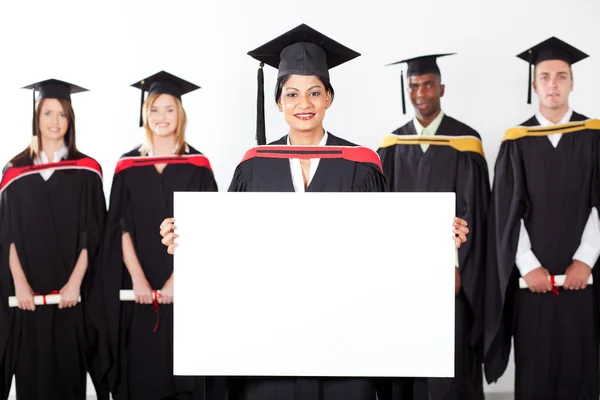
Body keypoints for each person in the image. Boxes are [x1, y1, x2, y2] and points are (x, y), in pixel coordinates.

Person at [159, 24, 470, 400]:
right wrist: (188, 238)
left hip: (346, 341)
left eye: (313, 93)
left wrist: (433, 239)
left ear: (328, 99)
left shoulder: (362, 164)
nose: (303, 104)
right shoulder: (254, 166)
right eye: (291, 94)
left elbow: (385, 246)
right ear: (278, 102)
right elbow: (232, 249)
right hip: (269, 344)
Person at [484, 37, 600, 399]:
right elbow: (506, 211)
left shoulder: (593, 136)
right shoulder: (517, 141)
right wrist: (527, 264)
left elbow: (599, 204)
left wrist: (586, 259)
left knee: (582, 367)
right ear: (534, 84)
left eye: (561, 76)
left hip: (585, 278)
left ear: (572, 82)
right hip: (531, 283)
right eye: (546, 76)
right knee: (535, 368)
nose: (553, 83)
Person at [100, 71, 223, 400]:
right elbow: (119, 227)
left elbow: (209, 230)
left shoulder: (198, 165)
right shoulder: (127, 165)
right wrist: (139, 281)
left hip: (185, 290)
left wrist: (175, 282)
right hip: (138, 293)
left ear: (180, 114)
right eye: (154, 109)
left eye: (169, 109)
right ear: (145, 114)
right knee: (139, 375)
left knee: (183, 377)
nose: (162, 117)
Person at [376, 53, 489, 400]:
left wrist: (454, 267)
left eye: (428, 84)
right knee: (407, 363)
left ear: (442, 88)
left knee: (449, 369)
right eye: (414, 86)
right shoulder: (391, 146)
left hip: (450, 279)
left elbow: (474, 214)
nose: (421, 92)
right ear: (407, 91)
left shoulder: (465, 142)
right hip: (404, 278)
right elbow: (383, 215)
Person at [0, 79, 108, 399]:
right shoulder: (14, 172)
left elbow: (93, 232)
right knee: (31, 382)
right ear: (36, 118)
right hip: (28, 302)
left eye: (62, 114)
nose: (54, 122)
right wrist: (19, 284)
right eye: (47, 113)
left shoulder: (87, 170)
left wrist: (75, 284)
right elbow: (7, 235)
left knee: (68, 381)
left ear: (70, 119)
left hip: (70, 300)